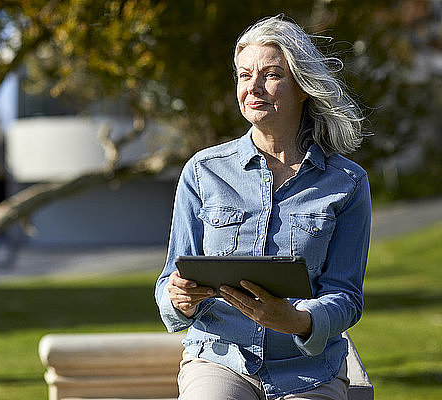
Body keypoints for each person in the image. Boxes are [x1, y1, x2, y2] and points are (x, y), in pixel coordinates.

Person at [155, 15, 371, 400]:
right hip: (220, 360)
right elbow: (171, 278)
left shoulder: (347, 183)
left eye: (271, 74)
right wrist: (179, 299)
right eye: (243, 75)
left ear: (302, 86)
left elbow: (346, 295)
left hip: (309, 370)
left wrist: (298, 321)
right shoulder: (202, 172)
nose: (252, 87)